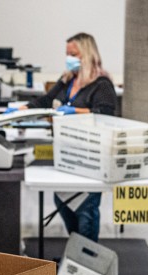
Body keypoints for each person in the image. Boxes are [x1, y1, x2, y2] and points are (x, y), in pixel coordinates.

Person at [21, 32, 116, 242]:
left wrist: (76, 112)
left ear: (87, 54)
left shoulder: (102, 84)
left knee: (85, 210)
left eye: (73, 54)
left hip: (91, 157)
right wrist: (21, 109)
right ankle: (77, 249)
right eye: (67, 54)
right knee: (62, 200)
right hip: (66, 153)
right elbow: (46, 100)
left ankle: (87, 259)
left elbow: (106, 116)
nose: (69, 58)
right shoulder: (67, 80)